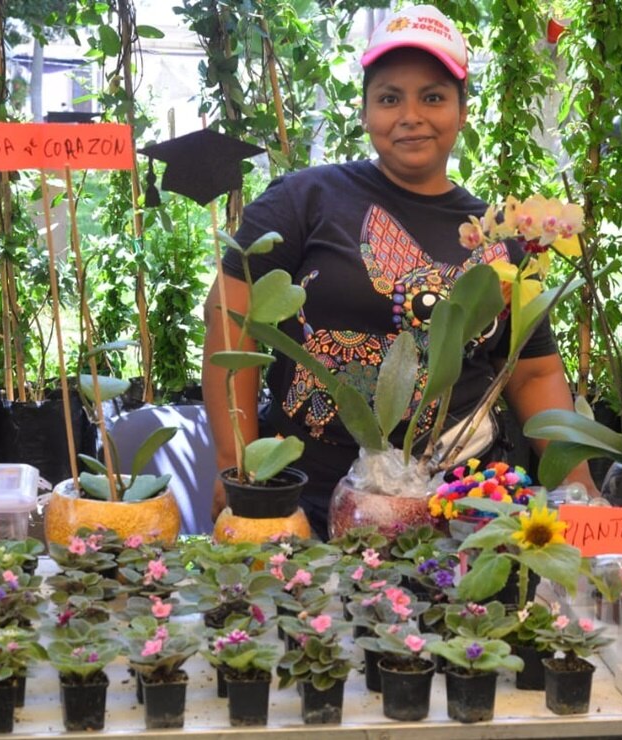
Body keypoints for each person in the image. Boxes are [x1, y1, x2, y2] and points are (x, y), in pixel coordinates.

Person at [204, 4, 596, 538]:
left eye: (433, 97)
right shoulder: (303, 200)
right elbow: (229, 324)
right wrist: (237, 468)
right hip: (309, 501)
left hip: (464, 511)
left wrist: (580, 489)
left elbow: (534, 373)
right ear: (365, 112)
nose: (411, 115)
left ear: (462, 111)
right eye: (389, 98)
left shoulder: (498, 236)